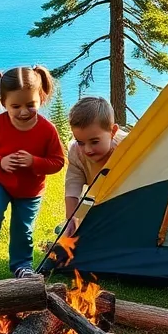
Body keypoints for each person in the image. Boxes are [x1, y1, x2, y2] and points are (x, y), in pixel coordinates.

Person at [0, 66, 66, 283]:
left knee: (23, 227)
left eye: (31, 105)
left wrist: (34, 162)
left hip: (30, 189)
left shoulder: (47, 130)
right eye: (15, 106)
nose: (24, 111)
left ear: (41, 98)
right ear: (3, 102)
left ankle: (21, 265)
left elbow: (57, 162)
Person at [62, 96, 128, 237]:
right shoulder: (76, 153)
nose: (87, 149)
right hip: (101, 203)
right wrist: (71, 220)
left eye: (94, 141)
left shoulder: (127, 147)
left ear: (113, 131)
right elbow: (72, 187)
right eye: (80, 142)